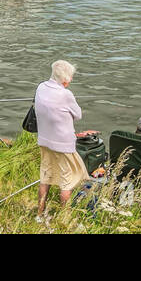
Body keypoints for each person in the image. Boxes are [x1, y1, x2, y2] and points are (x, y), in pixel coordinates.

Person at [34, 59, 88, 221]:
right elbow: (78, 115)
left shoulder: (41, 87)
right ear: (65, 78)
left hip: (44, 140)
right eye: (70, 76)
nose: (71, 79)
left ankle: (40, 214)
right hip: (63, 145)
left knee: (46, 177)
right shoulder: (66, 94)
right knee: (67, 181)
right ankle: (65, 218)